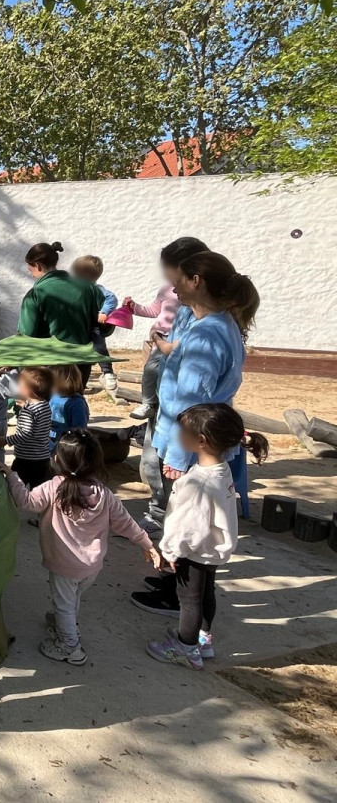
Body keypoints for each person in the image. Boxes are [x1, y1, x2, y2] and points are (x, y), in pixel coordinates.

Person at [131, 251, 259, 615]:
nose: (173, 287)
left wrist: (177, 455)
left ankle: (180, 599)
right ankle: (175, 583)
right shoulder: (218, 324)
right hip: (197, 440)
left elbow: (192, 401)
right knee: (184, 522)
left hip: (191, 444)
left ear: (196, 281)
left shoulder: (207, 334)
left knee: (187, 527)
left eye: (179, 279)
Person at [2, 429, 159, 665]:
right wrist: (147, 544)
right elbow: (126, 523)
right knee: (72, 598)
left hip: (65, 565)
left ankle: (70, 647)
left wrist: (10, 476)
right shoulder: (104, 494)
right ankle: (65, 624)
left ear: (57, 459)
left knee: (64, 603)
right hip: (92, 566)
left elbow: (26, 501)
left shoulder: (54, 487)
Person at [146, 404, 269, 669]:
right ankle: (203, 638)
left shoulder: (199, 483)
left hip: (194, 550)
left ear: (201, 440)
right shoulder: (221, 469)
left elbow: (189, 526)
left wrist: (170, 551)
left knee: (188, 599)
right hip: (212, 548)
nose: (178, 435)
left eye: (182, 431)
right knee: (205, 592)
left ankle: (186, 648)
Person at [125, 237, 210, 421]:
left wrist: (156, 337)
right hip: (163, 336)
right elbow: (154, 310)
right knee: (152, 370)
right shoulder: (167, 291)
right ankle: (149, 402)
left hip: (168, 340)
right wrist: (135, 308)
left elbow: (175, 349)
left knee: (163, 371)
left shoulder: (201, 310)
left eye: (167, 268)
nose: (164, 273)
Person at [16, 242, 102, 386]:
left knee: (51, 401)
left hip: (50, 366)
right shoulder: (89, 288)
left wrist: (21, 370)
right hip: (82, 364)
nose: (31, 273)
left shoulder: (36, 294)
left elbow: (26, 336)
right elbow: (105, 325)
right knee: (76, 399)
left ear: (37, 265)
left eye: (29, 269)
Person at [0, 367, 54, 488]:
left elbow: (25, 434)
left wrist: (6, 440)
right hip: (42, 458)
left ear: (29, 390)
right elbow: (36, 421)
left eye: (19, 384)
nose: (17, 387)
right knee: (40, 489)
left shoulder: (28, 412)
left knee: (15, 486)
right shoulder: (45, 405)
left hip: (25, 460)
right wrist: (26, 406)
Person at [70, 255, 118, 391]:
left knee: (99, 346)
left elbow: (111, 298)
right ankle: (78, 380)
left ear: (85, 274)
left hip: (93, 326)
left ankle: (107, 372)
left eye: (76, 272)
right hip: (77, 327)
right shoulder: (72, 288)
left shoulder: (97, 289)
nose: (73, 275)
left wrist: (104, 311)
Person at [47, 365, 89, 454]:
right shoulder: (53, 397)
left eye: (51, 381)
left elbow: (79, 429)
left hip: (66, 447)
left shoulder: (77, 403)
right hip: (49, 442)